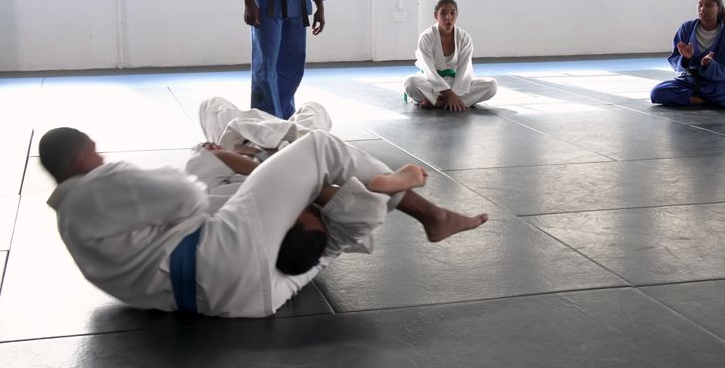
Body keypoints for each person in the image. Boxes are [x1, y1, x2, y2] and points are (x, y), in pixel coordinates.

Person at [39, 127, 487, 318]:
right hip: (221, 258)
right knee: (317, 146)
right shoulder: (97, 183)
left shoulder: (73, 230)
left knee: (333, 239)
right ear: (82, 157)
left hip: (244, 302)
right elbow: (184, 193)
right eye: (95, 151)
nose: (102, 158)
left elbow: (185, 201)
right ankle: (429, 212)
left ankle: (387, 194)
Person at [649, 0, 725, 111]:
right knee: (656, 93)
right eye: (700, 5)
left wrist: (709, 65)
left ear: (719, 8)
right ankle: (702, 100)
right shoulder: (686, 28)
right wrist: (685, 59)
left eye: (708, 5)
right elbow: (675, 60)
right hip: (689, 81)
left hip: (715, 84)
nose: (703, 9)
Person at [404, 0, 497, 110]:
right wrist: (450, 94)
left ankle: (438, 102)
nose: (448, 17)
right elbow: (429, 71)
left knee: (491, 85)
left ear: (457, 15)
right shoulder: (427, 37)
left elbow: (464, 70)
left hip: (457, 83)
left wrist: (455, 94)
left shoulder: (464, 38)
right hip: (432, 82)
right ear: (436, 16)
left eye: (452, 13)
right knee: (410, 83)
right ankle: (456, 102)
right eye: (443, 13)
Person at [198, 95, 331, 162]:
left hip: (243, 143)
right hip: (299, 145)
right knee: (314, 107)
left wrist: (220, 154)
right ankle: (276, 128)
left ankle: (274, 128)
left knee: (212, 104)